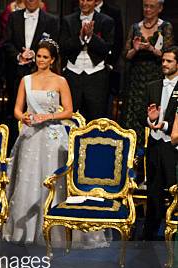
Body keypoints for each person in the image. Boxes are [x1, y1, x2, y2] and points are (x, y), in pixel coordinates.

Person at [2, 40, 73, 245]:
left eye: (45, 57)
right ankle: (25, 230)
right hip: (31, 135)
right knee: (29, 178)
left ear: (52, 60)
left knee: (50, 178)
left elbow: (68, 110)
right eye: (39, 56)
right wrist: (22, 117)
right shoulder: (26, 79)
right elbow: (16, 108)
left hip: (53, 136)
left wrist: (48, 118)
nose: (41, 60)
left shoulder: (60, 81)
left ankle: (54, 231)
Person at [121, 0, 174, 145]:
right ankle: (132, 151)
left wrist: (151, 49)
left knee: (152, 109)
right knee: (133, 114)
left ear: (160, 8)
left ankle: (149, 147)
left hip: (155, 76)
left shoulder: (165, 27)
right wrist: (135, 49)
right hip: (136, 79)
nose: (148, 9)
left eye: (152, 6)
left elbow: (168, 54)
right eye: (145, 6)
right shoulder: (135, 27)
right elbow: (126, 55)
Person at [141, 47, 178, 241]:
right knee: (153, 191)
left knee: (174, 190)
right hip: (154, 145)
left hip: (173, 147)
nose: (164, 64)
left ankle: (173, 235)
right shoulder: (152, 86)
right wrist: (151, 120)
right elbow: (142, 116)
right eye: (163, 60)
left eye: (169, 61)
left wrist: (163, 124)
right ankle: (148, 235)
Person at [60, 0, 114, 121]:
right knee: (70, 119)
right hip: (72, 75)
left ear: (96, 2)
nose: (84, 3)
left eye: (88, 0)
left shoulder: (106, 21)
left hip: (96, 76)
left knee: (96, 119)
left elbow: (107, 48)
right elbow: (63, 48)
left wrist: (91, 37)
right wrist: (79, 38)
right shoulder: (68, 20)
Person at [4, 0, 59, 119]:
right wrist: (19, 55)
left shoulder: (51, 20)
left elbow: (54, 46)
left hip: (41, 74)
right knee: (15, 112)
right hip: (16, 74)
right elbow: (6, 42)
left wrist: (35, 55)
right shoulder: (13, 17)